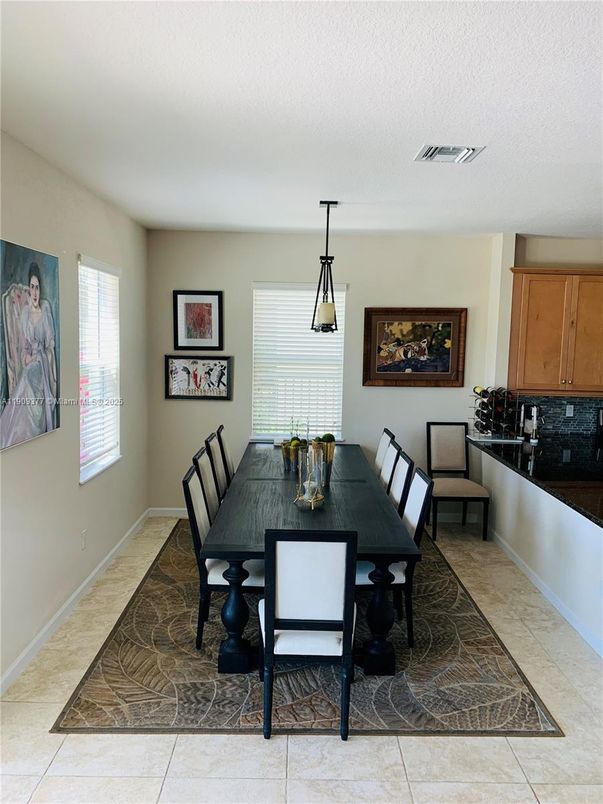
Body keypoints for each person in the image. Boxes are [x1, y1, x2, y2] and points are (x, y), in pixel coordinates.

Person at [0, 262, 58, 448]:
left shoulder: (45, 310)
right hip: (31, 365)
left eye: (37, 288)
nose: (34, 292)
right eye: (32, 287)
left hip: (42, 367)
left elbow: (50, 349)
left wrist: (53, 375)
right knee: (25, 381)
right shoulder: (25, 313)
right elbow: (25, 352)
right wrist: (29, 359)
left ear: (40, 289)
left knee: (33, 382)